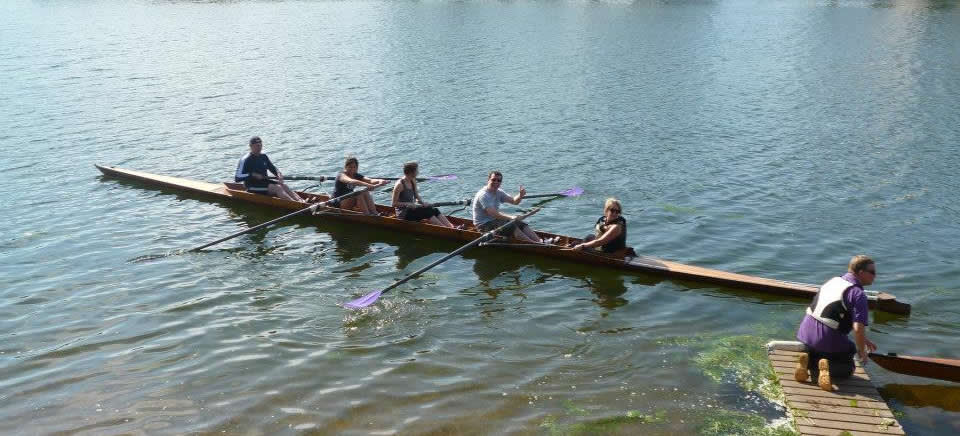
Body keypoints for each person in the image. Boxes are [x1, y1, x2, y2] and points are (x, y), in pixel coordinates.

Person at [794, 255, 879, 391]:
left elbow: (835, 312)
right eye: (873, 272)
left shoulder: (834, 281)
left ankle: (807, 362)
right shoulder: (858, 294)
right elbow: (857, 328)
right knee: (849, 364)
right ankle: (822, 368)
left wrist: (864, 339)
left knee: (825, 350)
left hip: (805, 334)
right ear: (861, 273)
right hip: (826, 339)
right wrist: (862, 351)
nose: (875, 276)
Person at [471, 171, 541, 243]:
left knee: (520, 223)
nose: (496, 182)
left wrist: (520, 196)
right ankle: (536, 245)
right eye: (493, 180)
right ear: (488, 180)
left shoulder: (499, 192)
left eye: (499, 180)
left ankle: (539, 241)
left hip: (495, 221)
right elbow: (492, 213)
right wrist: (511, 217)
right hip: (483, 225)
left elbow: (514, 201)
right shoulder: (483, 195)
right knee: (511, 226)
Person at [234, 136, 304, 202]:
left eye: (260, 145)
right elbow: (237, 177)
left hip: (264, 182)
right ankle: (296, 205)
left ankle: (301, 201)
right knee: (278, 188)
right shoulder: (245, 160)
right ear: (251, 146)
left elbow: (272, 168)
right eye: (257, 146)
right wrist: (252, 175)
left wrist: (278, 174)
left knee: (283, 185)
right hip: (251, 186)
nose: (259, 148)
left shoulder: (263, 156)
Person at [391, 162, 456, 228]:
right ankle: (445, 229)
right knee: (427, 212)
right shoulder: (399, 185)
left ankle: (451, 227)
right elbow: (394, 203)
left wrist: (422, 202)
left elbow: (416, 196)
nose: (418, 172)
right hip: (403, 214)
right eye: (417, 170)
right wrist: (407, 204)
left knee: (434, 209)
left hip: (412, 209)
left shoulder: (412, 180)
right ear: (411, 172)